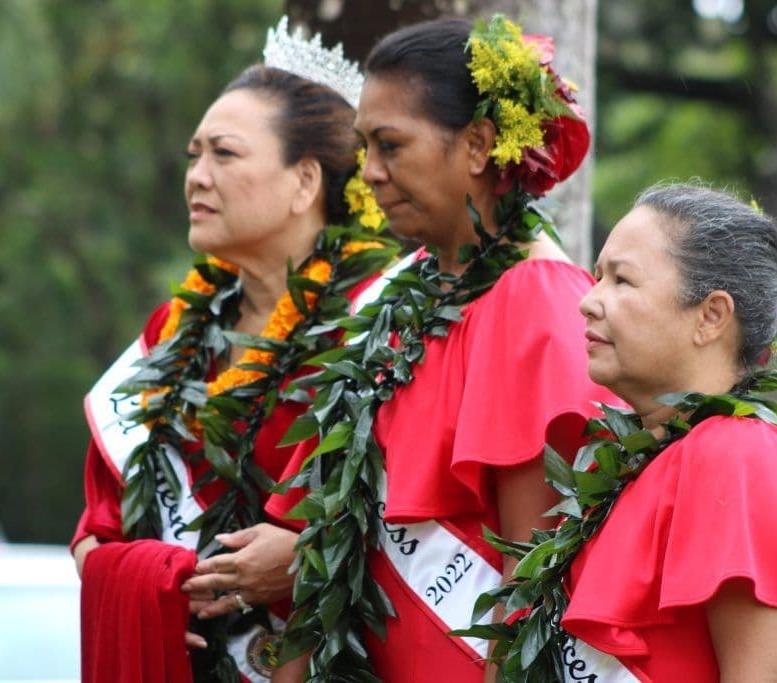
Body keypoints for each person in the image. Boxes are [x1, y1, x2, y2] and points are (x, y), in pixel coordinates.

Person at [243, 15, 620, 682]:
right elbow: (324, 536)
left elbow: (528, 584)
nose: (371, 174)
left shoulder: (532, 300)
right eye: (364, 148)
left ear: (477, 144)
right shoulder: (401, 298)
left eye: (390, 145)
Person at [70, 18, 394, 683]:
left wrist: (306, 558)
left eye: (224, 154)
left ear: (305, 182)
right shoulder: (173, 328)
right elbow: (93, 529)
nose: (197, 176)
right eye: (194, 155)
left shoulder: (374, 318)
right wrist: (151, 588)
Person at [555, 183, 777, 681]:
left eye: (622, 281)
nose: (589, 301)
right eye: (597, 276)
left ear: (711, 316)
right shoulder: (638, 460)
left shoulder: (741, 455)